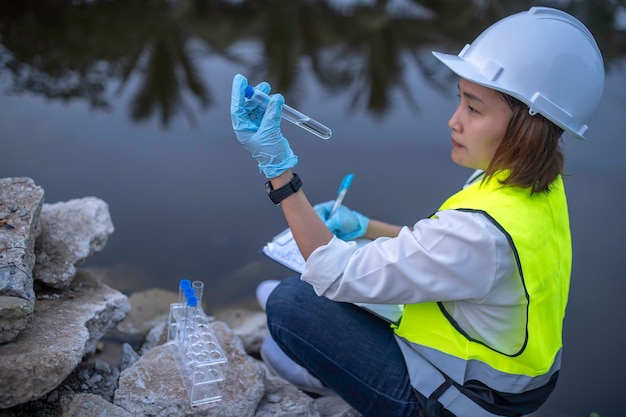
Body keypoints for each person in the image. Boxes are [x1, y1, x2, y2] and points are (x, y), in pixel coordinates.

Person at [230, 6, 604, 417]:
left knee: (289, 304)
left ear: (526, 126)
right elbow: (449, 254)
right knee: (313, 292)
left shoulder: (481, 232)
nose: (453, 121)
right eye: (459, 101)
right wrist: (365, 226)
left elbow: (333, 272)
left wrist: (279, 173)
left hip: (459, 403)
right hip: (510, 381)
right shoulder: (535, 185)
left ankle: (331, 377)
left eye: (473, 109)